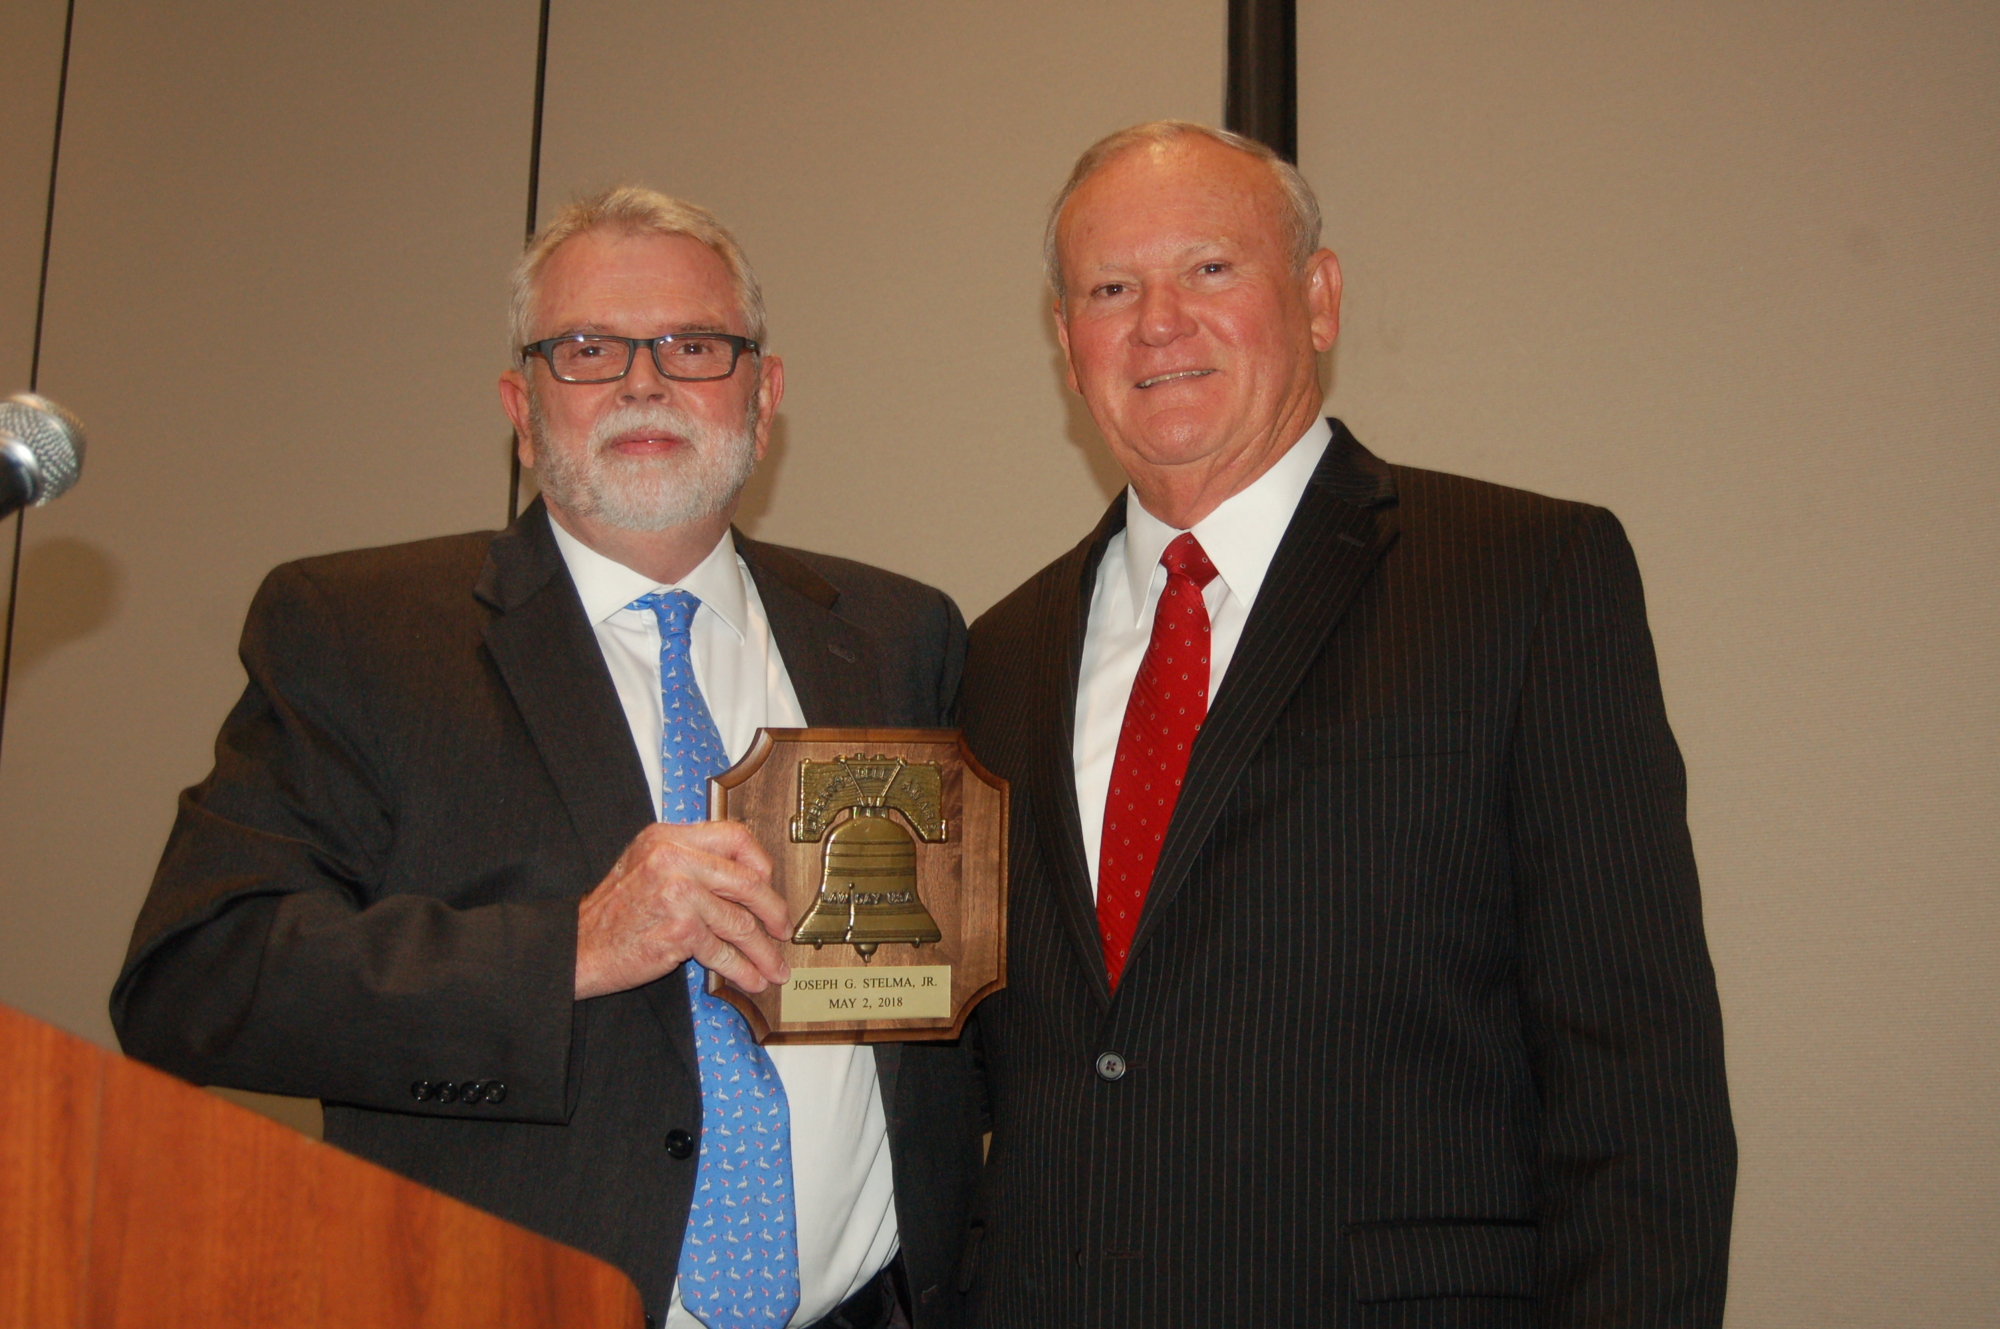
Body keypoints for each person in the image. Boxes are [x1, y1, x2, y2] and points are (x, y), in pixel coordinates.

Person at [113, 187, 981, 1329]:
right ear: (521, 409)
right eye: (586, 349)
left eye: (693, 344)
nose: (642, 380)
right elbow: (196, 981)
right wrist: (570, 948)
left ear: (762, 396)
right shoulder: (358, 629)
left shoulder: (895, 633)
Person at [954, 122, 1735, 1326]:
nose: (1157, 320)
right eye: (1110, 289)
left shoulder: (1523, 579)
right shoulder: (995, 656)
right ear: (1067, 345)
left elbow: (1637, 1085)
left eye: (1209, 268)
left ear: (1316, 299)